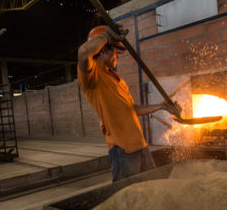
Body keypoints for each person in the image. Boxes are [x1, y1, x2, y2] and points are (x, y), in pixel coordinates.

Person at [77, 24, 181, 182]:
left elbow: (133, 109)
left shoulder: (117, 80)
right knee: (126, 195)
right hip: (122, 150)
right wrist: (107, 36)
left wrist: (162, 106)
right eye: (116, 53)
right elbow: (84, 52)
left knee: (151, 189)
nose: (117, 58)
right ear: (103, 49)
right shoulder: (93, 77)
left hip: (141, 147)